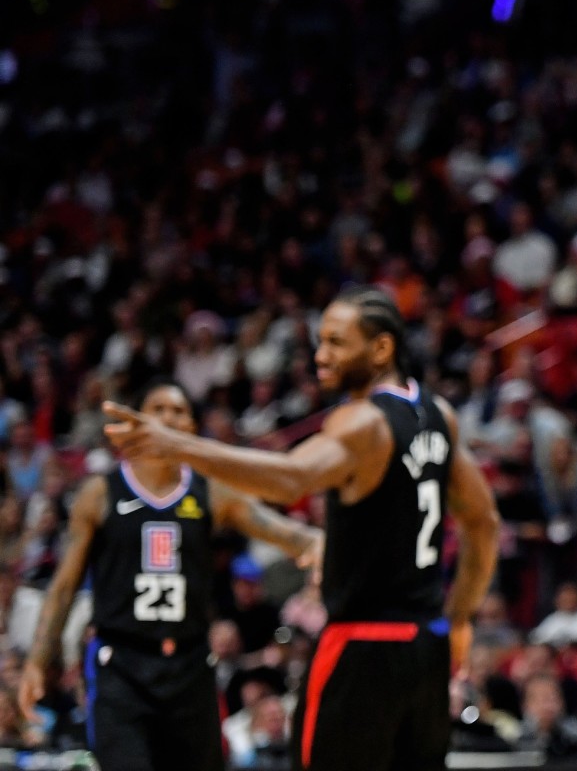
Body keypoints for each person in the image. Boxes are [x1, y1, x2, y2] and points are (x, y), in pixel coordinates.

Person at [101, 284, 500, 771]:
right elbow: (483, 522)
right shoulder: (439, 416)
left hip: (362, 646)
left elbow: (291, 478)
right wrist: (458, 618)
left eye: (337, 343)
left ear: (381, 348)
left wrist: (177, 445)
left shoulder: (362, 422)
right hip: (426, 646)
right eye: (320, 341)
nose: (321, 355)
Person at [17, 378, 325, 771]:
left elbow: (289, 535)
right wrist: (38, 661)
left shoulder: (211, 492)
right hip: (122, 666)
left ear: (191, 428)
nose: (168, 418)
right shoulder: (100, 492)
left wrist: (319, 544)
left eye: (179, 411)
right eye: (158, 409)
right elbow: (63, 587)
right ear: (138, 420)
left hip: (190, 667)